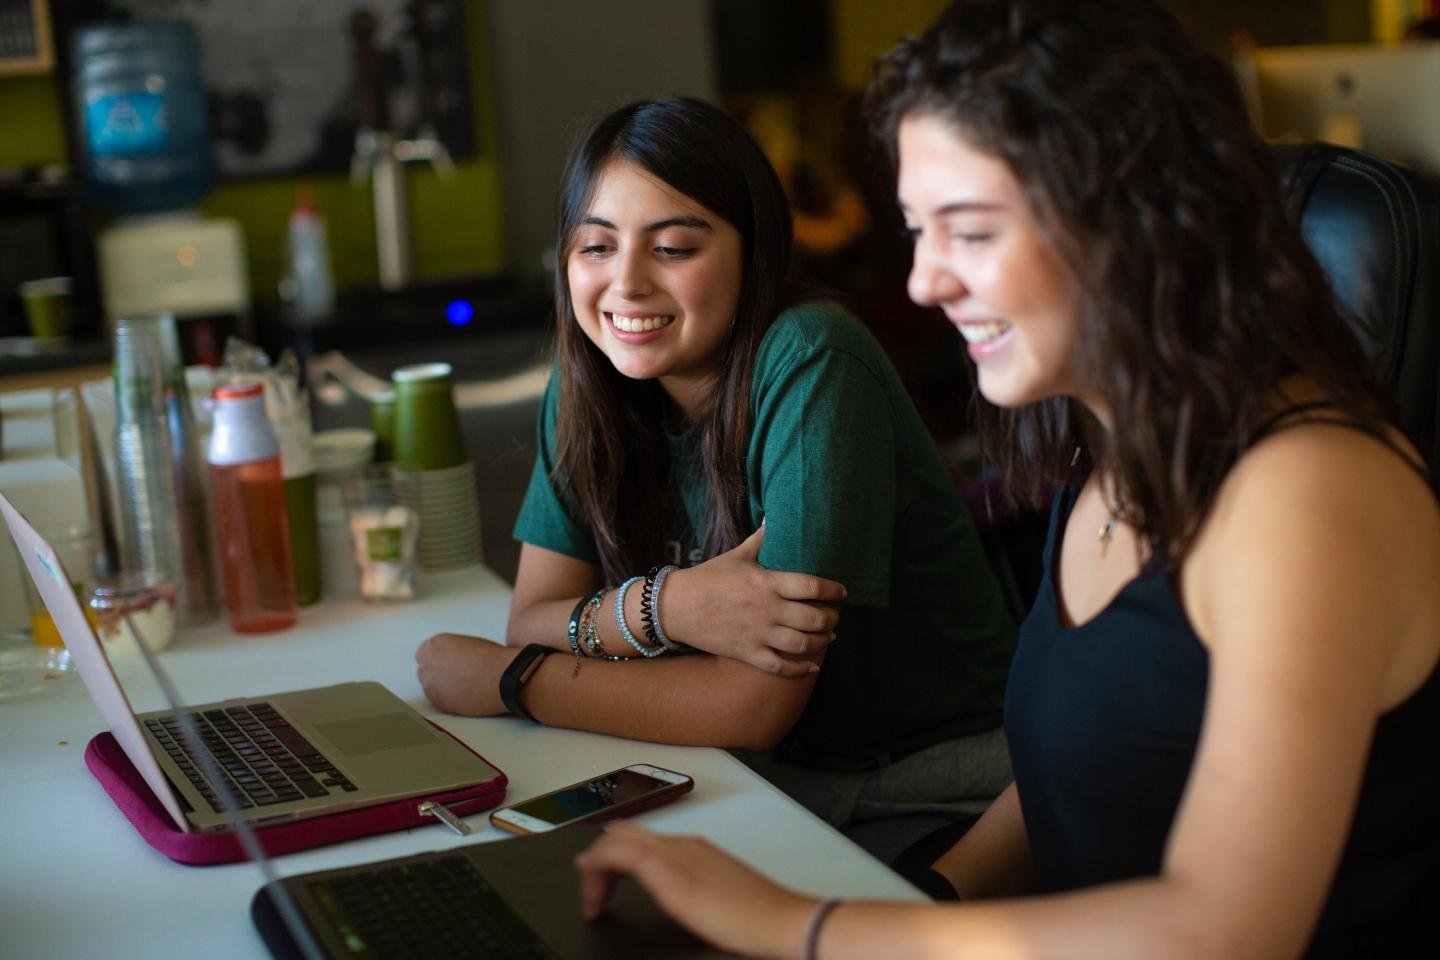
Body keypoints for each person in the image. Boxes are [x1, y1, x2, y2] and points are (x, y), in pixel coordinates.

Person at [571, 2, 1440, 957]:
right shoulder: (1115, 456)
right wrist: (929, 898)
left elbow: (1225, 928)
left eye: (972, 232)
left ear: (1139, 220)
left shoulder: (1308, 493)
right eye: (919, 232)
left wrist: (802, 926)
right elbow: (1092, 760)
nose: (925, 282)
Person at [415, 96, 1016, 846]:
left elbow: (753, 707)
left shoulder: (812, 361)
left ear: (752, 252)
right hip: (740, 774)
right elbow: (532, 617)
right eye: (596, 247)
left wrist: (513, 681)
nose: (626, 283)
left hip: (927, 787)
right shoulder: (584, 386)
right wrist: (669, 608)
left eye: (672, 247)